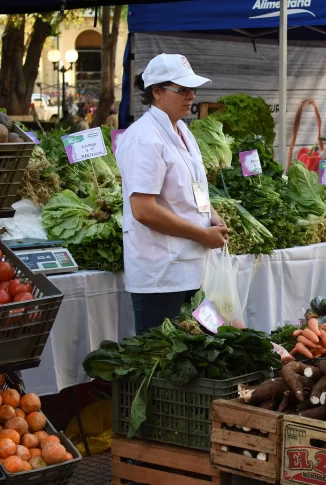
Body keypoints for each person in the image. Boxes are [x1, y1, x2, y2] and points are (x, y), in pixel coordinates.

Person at [116, 53, 229, 335]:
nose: (191, 96)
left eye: (193, 89)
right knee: (161, 361)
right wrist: (201, 234)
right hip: (161, 274)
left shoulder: (182, 132)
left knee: (193, 359)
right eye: (183, 89)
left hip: (190, 267)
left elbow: (194, 186)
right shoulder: (144, 137)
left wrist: (211, 216)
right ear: (156, 92)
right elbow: (143, 209)